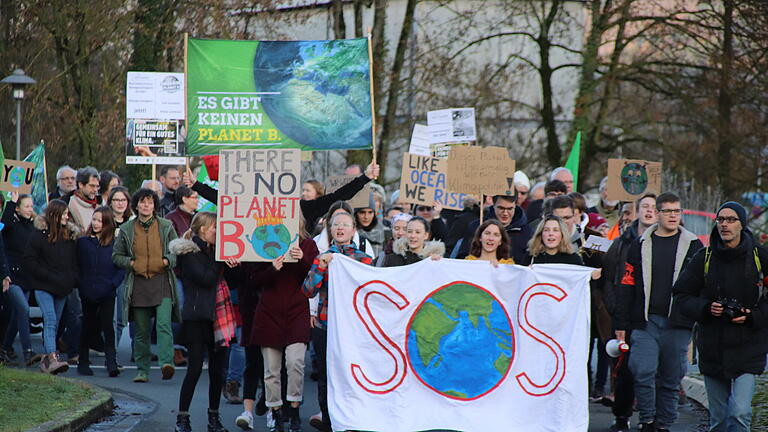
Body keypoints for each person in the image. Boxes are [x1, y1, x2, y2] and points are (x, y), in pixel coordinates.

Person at [673, 201, 768, 432]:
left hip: (749, 345)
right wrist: (706, 308)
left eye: (731, 220)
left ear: (742, 224)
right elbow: (681, 295)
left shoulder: (760, 257)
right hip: (712, 346)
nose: (725, 225)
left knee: (739, 412)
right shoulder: (703, 258)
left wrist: (753, 316)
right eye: (721, 220)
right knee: (719, 419)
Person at [615, 192, 703, 432]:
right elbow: (627, 284)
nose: (673, 216)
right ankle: (647, 419)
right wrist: (621, 323)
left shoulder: (693, 245)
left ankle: (663, 423)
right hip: (645, 321)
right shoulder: (642, 243)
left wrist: (695, 315)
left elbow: (702, 285)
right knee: (642, 370)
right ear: (658, 214)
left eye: (677, 211)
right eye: (668, 211)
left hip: (678, 322)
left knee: (671, 377)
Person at [241, 217, 318, 432]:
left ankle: (293, 409)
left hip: (296, 311)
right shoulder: (262, 240)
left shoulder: (307, 245)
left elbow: (314, 278)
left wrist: (303, 259)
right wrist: (272, 269)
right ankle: (275, 413)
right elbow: (253, 279)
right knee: (271, 370)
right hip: (269, 312)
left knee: (295, 364)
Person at [302, 212, 372, 432]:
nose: (340, 228)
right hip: (326, 325)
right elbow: (307, 290)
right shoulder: (322, 257)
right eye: (336, 225)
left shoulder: (364, 260)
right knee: (325, 375)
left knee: (351, 374)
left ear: (353, 230)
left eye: (345, 225)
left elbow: (372, 293)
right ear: (330, 231)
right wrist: (321, 266)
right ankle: (329, 420)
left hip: (353, 328)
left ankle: (352, 420)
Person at [170, 212, 239, 432]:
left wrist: (232, 264)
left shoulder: (216, 253)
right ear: (203, 230)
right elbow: (206, 279)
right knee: (195, 369)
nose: (219, 233)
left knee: (217, 372)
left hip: (218, 319)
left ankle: (214, 418)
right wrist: (221, 258)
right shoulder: (189, 253)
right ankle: (182, 418)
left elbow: (233, 282)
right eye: (215, 228)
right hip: (197, 318)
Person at [186, 162, 379, 236]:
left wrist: (365, 177)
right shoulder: (257, 207)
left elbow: (336, 197)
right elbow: (225, 200)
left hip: (295, 274)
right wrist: (196, 185)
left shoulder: (302, 208)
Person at [112, 188, 181, 383]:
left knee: (163, 325)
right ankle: (142, 370)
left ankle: (167, 363)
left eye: (150, 202)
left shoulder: (166, 226)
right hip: (138, 284)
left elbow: (176, 250)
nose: (146, 206)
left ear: (155, 206)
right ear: (136, 205)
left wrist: (167, 261)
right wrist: (131, 263)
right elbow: (116, 256)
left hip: (162, 282)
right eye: (142, 202)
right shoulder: (126, 229)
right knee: (141, 330)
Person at [601, 193, 655, 432]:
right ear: (638, 210)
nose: (649, 211)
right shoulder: (622, 242)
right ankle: (621, 416)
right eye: (645, 206)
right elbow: (608, 277)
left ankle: (651, 418)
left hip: (654, 317)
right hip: (625, 316)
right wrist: (615, 308)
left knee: (651, 370)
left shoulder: (670, 243)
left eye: (654, 207)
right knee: (624, 369)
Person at [24, 199, 79, 374]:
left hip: (62, 287)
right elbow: (29, 260)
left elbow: (73, 263)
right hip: (44, 286)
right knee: (50, 319)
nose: (66, 216)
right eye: (63, 214)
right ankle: (52, 357)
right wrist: (47, 276)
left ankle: (46, 361)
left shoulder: (69, 236)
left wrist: (70, 279)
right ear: (54, 215)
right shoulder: (38, 235)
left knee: (54, 324)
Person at [76, 206, 123, 377]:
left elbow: (121, 268)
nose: (96, 223)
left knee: (107, 326)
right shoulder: (83, 242)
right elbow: (77, 266)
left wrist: (113, 284)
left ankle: (111, 361)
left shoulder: (115, 245)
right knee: (87, 326)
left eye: (100, 221)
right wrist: (81, 284)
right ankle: (83, 361)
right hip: (88, 291)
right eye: (94, 219)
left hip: (107, 291)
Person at [1, 192, 40, 365]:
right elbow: (3, 225)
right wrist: (11, 202)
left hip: (27, 278)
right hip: (12, 276)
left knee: (18, 315)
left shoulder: (32, 226)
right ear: (17, 208)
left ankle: (4, 348)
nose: (30, 210)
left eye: (31, 206)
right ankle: (28, 351)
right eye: (26, 206)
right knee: (23, 309)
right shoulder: (10, 225)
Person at [455, 193, 533, 263]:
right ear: (493, 205)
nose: (505, 213)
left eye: (509, 209)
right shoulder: (476, 226)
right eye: (501, 208)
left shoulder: (527, 232)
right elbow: (462, 259)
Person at [67, 166, 101, 231]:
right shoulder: (68, 203)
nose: (95, 190)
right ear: (81, 185)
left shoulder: (100, 203)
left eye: (97, 186)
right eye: (92, 186)